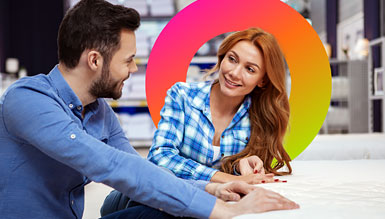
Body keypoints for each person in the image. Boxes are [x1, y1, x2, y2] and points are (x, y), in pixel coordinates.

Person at [0, 0, 299, 218]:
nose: (134, 67)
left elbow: (143, 170)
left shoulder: (100, 112)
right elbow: (110, 165)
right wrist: (217, 209)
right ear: (95, 60)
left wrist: (211, 190)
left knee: (169, 208)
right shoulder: (27, 99)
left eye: (250, 69)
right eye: (128, 59)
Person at [148, 27, 292, 184]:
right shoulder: (182, 96)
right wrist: (225, 178)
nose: (234, 73)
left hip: (230, 205)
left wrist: (241, 165)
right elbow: (159, 156)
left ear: (262, 81)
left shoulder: (261, 117)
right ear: (222, 57)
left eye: (250, 69)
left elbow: (246, 177)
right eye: (232, 59)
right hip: (174, 202)